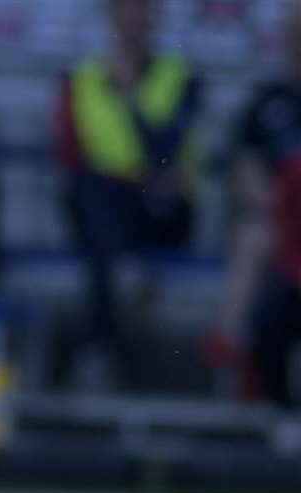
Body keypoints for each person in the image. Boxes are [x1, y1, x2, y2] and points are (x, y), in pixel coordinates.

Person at [54, 0, 202, 390]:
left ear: (157, 16)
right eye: (125, 8)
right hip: (105, 207)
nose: (134, 17)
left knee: (104, 214)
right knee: (91, 194)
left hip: (162, 212)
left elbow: (164, 152)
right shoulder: (82, 78)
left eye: (143, 8)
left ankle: (102, 347)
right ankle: (114, 331)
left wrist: (130, 96)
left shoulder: (182, 77)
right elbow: (69, 160)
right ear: (110, 16)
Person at [207, 1, 301, 405]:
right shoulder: (266, 104)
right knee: (255, 236)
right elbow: (245, 172)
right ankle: (233, 342)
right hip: (283, 226)